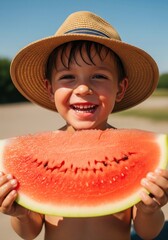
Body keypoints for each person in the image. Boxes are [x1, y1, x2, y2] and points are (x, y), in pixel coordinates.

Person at [0, 11, 168, 240]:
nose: (83, 89)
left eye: (98, 76)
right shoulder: (39, 155)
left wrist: (150, 209)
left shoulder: (132, 157)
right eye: (68, 77)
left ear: (120, 88)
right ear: (50, 89)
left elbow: (147, 233)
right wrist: (20, 214)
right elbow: (30, 232)